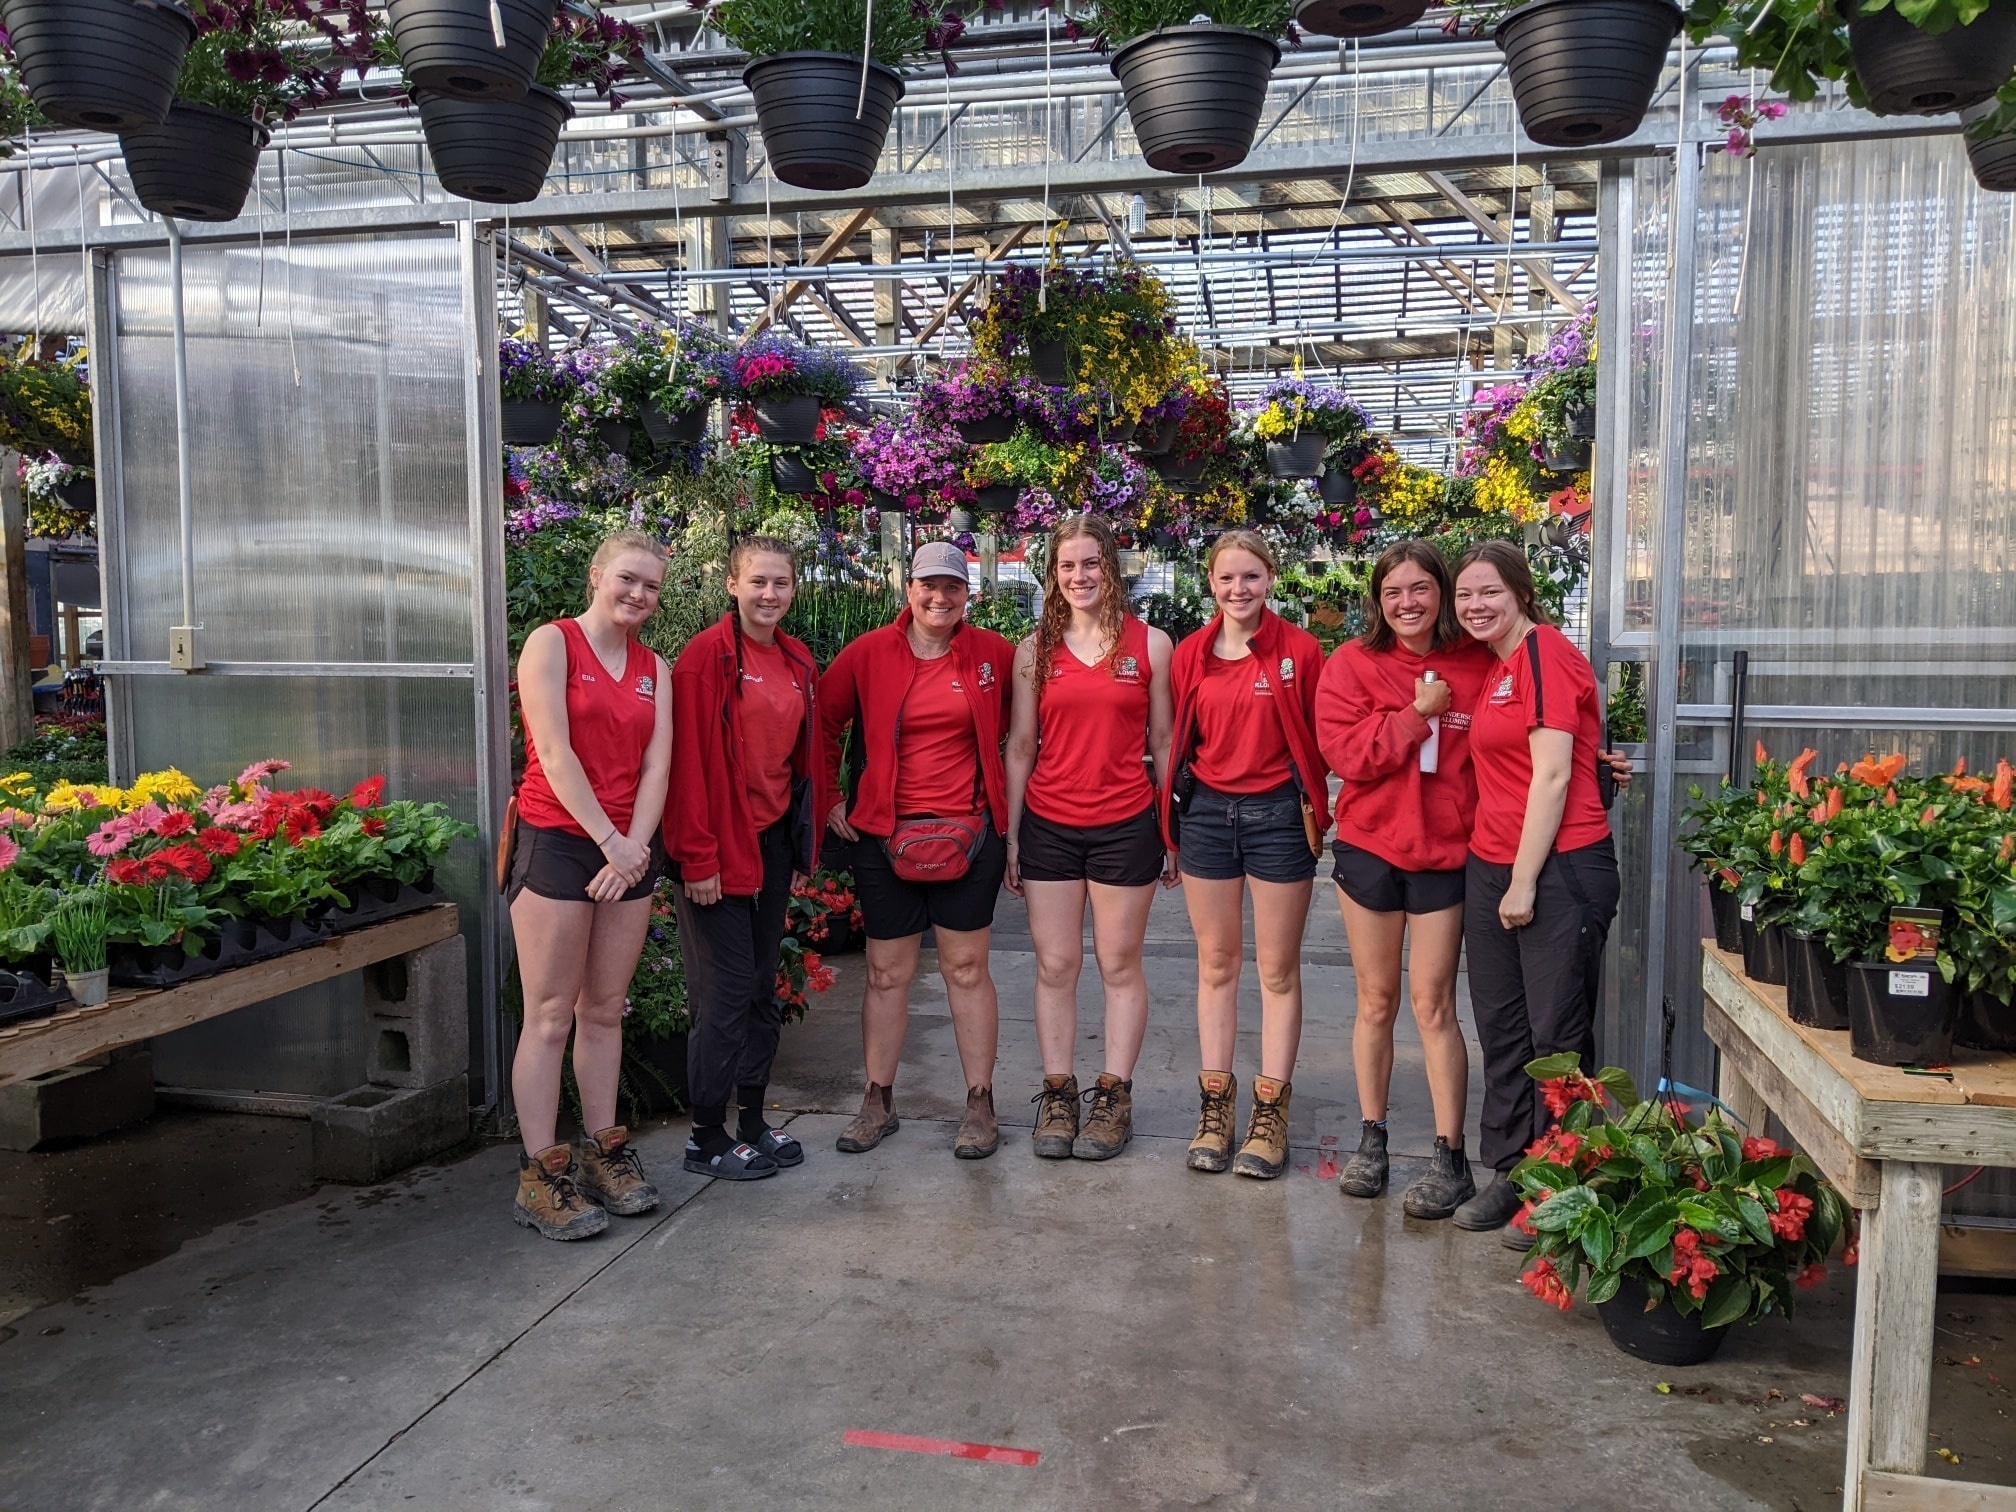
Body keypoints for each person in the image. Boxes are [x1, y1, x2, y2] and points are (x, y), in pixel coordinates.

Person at [1448, 539, 1622, 1244]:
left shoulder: (1546, 651)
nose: (1475, 605)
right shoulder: (1496, 670)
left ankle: (1564, 1184)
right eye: (1464, 596)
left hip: (1558, 867)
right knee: (1504, 1029)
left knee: (1557, 1035)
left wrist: (1523, 881)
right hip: (1493, 862)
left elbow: (1553, 775)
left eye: (1488, 591)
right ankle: (1512, 1171)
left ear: (1520, 592)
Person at [819, 541, 1017, 1160]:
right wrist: (830, 795)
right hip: (885, 837)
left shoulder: (994, 655)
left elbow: (1029, 728)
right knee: (885, 973)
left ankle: (980, 1103)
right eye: (928, 586)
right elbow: (821, 720)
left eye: (952, 587)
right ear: (908, 589)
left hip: (969, 835)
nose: (939, 598)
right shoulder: (869, 653)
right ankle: (877, 1100)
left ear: (968, 595)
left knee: (965, 970)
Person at [1315, 541, 1494, 1219]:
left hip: (1447, 853)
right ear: (1378, 601)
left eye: (1421, 589)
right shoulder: (1353, 666)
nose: (1408, 603)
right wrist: (1418, 714)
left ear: (1441, 593)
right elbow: (1351, 757)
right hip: (1371, 850)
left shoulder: (1477, 664)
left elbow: (1512, 742)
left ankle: (1451, 1156)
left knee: (1433, 1005)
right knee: (1376, 998)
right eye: (1394, 593)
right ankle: (1373, 1137)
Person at [507, 530, 673, 1241]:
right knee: (549, 1014)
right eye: (627, 579)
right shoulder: (552, 644)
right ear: (597, 575)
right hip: (559, 844)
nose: (638, 594)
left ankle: (603, 1152)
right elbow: (551, 748)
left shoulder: (653, 668)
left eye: (651, 587)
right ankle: (541, 1177)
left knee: (604, 1009)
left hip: (627, 854)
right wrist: (607, 840)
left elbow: (656, 767)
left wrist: (633, 849)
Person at [1005, 514, 1175, 1162]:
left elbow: (1162, 743)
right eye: (1067, 565)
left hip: (1124, 824)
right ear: (1053, 574)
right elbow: (1022, 745)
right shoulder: (1034, 649)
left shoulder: (1150, 645)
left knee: (1119, 963)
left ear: (1112, 568)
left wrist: (1168, 833)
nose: (1079, 576)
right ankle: (1058, 1092)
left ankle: (1114, 1095)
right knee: (1056, 964)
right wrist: (1014, 835)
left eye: (1091, 563)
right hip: (1050, 823)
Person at [1160, 530, 1328, 1181]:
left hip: (1278, 818)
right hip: (1206, 816)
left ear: (1271, 578)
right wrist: (1170, 823)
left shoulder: (1300, 651)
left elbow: (1324, 732)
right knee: (1217, 963)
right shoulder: (1192, 654)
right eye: (1227, 578)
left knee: (1278, 971)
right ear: (1211, 583)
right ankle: (1215, 1110)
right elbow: (1179, 737)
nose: (1239, 589)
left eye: (1251, 577)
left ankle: (1269, 1115)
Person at [666, 535, 825, 1182]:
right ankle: (706, 1135)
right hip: (715, 846)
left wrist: (797, 847)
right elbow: (687, 768)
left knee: (763, 988)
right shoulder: (705, 659)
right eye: (757, 582)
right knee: (724, 993)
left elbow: (801, 764)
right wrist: (696, 859)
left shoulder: (796, 661)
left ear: (793, 589)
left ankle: (753, 1119)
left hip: (768, 844)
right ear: (732, 585)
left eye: (781, 583)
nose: (769, 594)